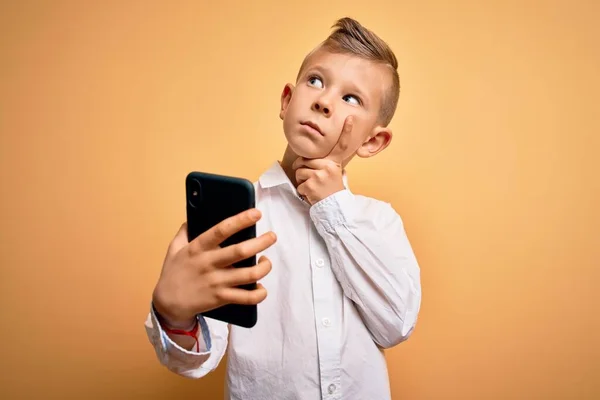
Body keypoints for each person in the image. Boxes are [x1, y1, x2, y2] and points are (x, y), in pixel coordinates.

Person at [145, 16, 422, 400]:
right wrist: (175, 315)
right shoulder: (236, 221)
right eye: (316, 81)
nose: (324, 101)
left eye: (351, 98)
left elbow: (395, 324)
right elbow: (197, 359)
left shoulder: (379, 222)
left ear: (373, 141)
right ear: (287, 101)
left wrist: (333, 208)